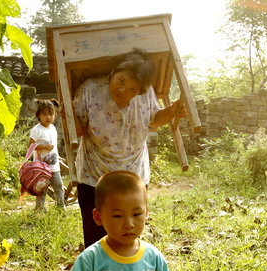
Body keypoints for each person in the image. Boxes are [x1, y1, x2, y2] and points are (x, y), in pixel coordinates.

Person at [72, 48, 185, 247]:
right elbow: (78, 130)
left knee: (128, 237)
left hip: (133, 177)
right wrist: (68, 115)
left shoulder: (145, 93)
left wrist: (172, 111)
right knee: (95, 241)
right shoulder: (89, 90)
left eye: (133, 89)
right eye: (121, 81)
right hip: (94, 176)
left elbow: (154, 120)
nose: (124, 91)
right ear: (113, 72)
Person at [28, 99, 65, 210]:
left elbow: (53, 146)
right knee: (42, 188)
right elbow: (30, 147)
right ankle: (39, 209)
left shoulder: (53, 128)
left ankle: (60, 208)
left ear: (55, 115)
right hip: (41, 166)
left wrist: (58, 156)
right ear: (39, 115)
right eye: (44, 114)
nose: (48, 117)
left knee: (58, 186)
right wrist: (43, 147)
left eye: (51, 114)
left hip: (54, 166)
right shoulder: (36, 130)